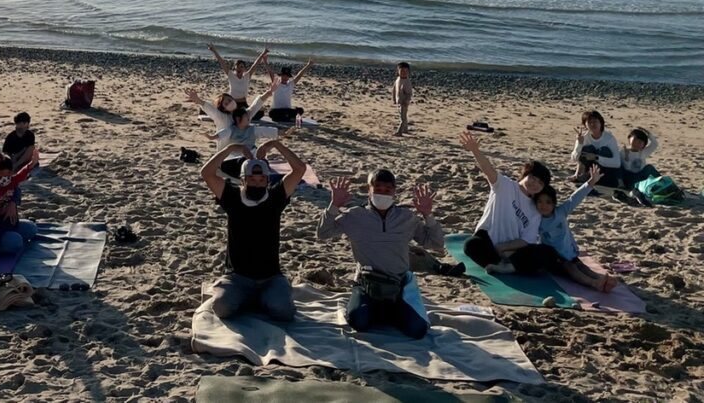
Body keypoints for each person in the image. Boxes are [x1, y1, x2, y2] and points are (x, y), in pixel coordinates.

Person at [317, 170, 444, 338]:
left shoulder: (406, 217)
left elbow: (435, 243)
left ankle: (391, 311)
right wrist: (334, 205)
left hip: (399, 285)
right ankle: (373, 309)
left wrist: (428, 214)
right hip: (367, 282)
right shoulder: (355, 215)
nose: (382, 193)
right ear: (369, 190)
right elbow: (323, 233)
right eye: (377, 188)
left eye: (387, 190)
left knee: (418, 330)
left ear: (394, 192)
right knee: (358, 322)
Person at [199, 138, 309, 321]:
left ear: (267, 180)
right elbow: (207, 173)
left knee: (284, 311)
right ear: (243, 180)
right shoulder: (232, 197)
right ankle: (250, 298)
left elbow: (299, 169)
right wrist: (231, 147)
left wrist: (275, 144)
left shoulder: (275, 197)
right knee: (222, 308)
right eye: (251, 179)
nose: (257, 183)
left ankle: (260, 299)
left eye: (261, 179)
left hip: (270, 277)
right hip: (237, 277)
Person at [458, 131, 562, 274]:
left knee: (548, 253)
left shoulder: (535, 208)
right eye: (532, 178)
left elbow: (526, 240)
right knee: (470, 245)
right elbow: (488, 170)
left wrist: (503, 248)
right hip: (489, 243)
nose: (535, 184)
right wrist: (475, 150)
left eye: (540, 182)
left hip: (512, 250)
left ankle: (508, 266)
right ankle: (503, 264)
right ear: (525, 175)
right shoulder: (505, 185)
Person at [535, 165, 618, 292]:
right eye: (539, 202)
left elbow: (575, 198)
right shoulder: (536, 220)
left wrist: (591, 182)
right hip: (555, 259)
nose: (543, 206)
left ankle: (601, 279)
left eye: (548, 202)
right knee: (572, 269)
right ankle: (594, 283)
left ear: (554, 204)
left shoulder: (561, 212)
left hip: (570, 254)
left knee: (582, 267)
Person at [208, 45, 270, 109]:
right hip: (233, 103)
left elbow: (255, 64)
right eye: (237, 66)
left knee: (259, 113)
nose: (239, 68)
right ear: (235, 68)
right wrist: (214, 51)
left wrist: (264, 53)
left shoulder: (247, 76)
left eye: (241, 67)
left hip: (243, 103)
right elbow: (222, 62)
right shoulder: (231, 75)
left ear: (244, 69)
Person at [571, 111, 621, 187]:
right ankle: (583, 176)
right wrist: (579, 144)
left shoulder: (609, 138)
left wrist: (596, 157)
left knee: (604, 150)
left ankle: (589, 178)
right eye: (589, 122)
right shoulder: (584, 137)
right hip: (589, 168)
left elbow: (617, 163)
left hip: (604, 170)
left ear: (601, 123)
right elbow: (574, 158)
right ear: (585, 125)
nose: (592, 124)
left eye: (595, 121)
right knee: (588, 148)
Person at [392, 62, 413, 137]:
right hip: (399, 101)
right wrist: (394, 98)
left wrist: (406, 101)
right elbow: (394, 89)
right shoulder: (398, 79)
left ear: (408, 72)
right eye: (402, 71)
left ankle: (399, 131)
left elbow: (409, 93)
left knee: (403, 118)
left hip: (404, 102)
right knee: (402, 115)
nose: (403, 73)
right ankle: (405, 129)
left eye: (405, 71)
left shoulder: (407, 82)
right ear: (398, 71)